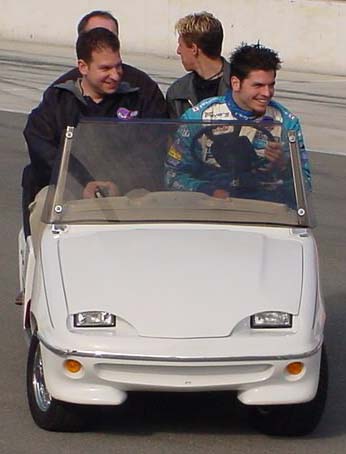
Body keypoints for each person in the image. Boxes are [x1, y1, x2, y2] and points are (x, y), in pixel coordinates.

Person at [22, 28, 163, 236]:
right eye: (105, 68)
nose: (115, 75)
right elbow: (41, 146)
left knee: (154, 204)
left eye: (118, 66)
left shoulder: (138, 99)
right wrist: (82, 184)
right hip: (68, 194)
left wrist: (119, 184)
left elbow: (154, 147)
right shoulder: (58, 101)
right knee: (44, 204)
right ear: (83, 67)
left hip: (126, 193)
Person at [165, 43, 311, 199]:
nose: (267, 93)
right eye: (258, 86)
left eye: (271, 85)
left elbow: (305, 187)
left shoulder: (287, 123)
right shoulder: (197, 118)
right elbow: (172, 175)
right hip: (209, 208)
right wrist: (207, 191)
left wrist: (283, 165)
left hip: (266, 210)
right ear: (236, 83)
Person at [54, 10, 168, 119]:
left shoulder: (143, 89)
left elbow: (160, 134)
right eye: (96, 37)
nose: (115, 75)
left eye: (110, 37)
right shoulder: (59, 96)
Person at [166, 12, 231, 118]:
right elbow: (174, 133)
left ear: (194, 49)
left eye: (180, 45)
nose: (178, 51)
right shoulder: (177, 93)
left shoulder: (243, 86)